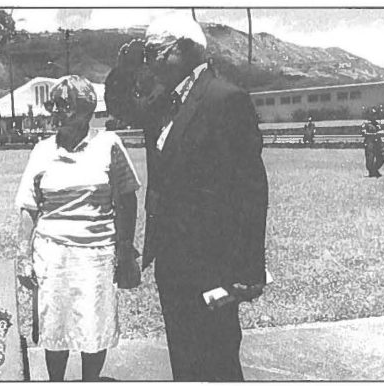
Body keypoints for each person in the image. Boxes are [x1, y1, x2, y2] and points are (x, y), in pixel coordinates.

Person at [136, 14, 269, 381]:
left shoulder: (225, 99)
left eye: (153, 52)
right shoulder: (162, 104)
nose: (148, 62)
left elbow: (250, 188)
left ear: (184, 50)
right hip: (173, 262)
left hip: (213, 262)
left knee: (219, 360)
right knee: (184, 360)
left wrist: (249, 268)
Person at [14, 75, 142, 381]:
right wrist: (24, 256)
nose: (55, 112)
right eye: (53, 105)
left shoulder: (109, 143)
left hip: (96, 253)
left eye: (64, 106)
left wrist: (125, 248)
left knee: (93, 326)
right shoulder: (42, 150)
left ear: (85, 110)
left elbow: (127, 198)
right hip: (52, 254)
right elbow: (29, 207)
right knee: (54, 326)